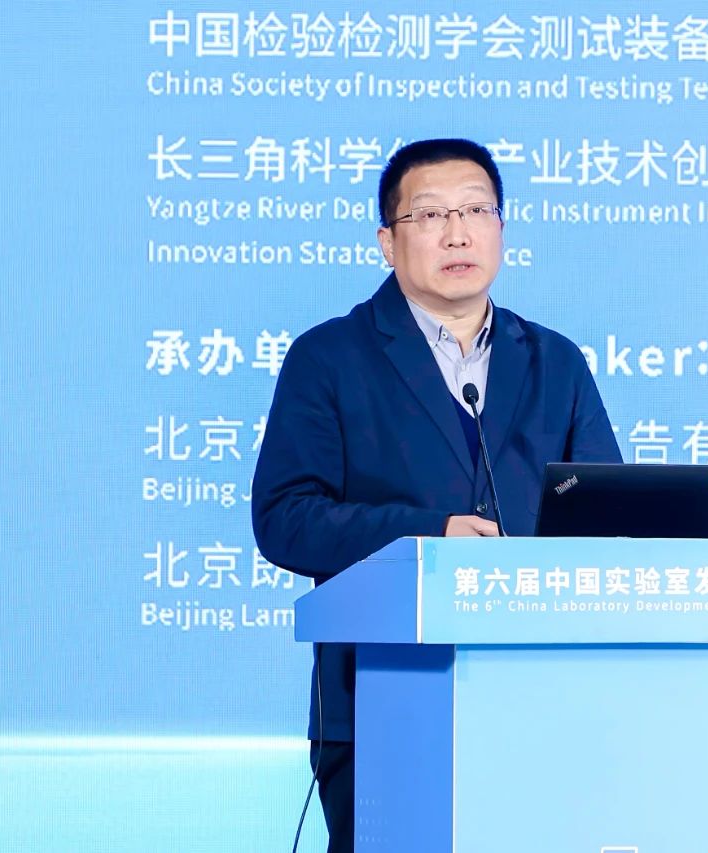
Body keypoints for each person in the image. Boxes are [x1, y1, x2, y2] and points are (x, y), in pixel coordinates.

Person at [251, 138, 622, 851]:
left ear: (501, 229)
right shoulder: (330, 357)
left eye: (477, 210)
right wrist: (428, 535)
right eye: (430, 214)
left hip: (541, 698)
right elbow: (285, 518)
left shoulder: (555, 360)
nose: (458, 233)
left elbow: (605, 518)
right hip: (384, 696)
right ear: (387, 242)